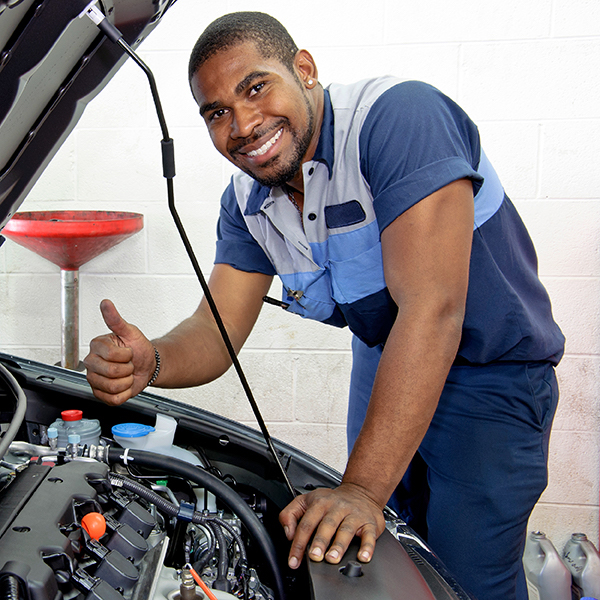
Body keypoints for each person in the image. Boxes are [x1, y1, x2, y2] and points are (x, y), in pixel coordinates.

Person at [83, 11, 565, 600]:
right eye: (217, 113)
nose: (244, 123)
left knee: (469, 579)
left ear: (304, 70)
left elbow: (432, 310)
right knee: (388, 561)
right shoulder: (247, 200)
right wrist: (150, 361)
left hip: (490, 376)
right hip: (387, 360)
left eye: (255, 87)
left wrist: (361, 489)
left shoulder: (399, 119)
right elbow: (216, 330)